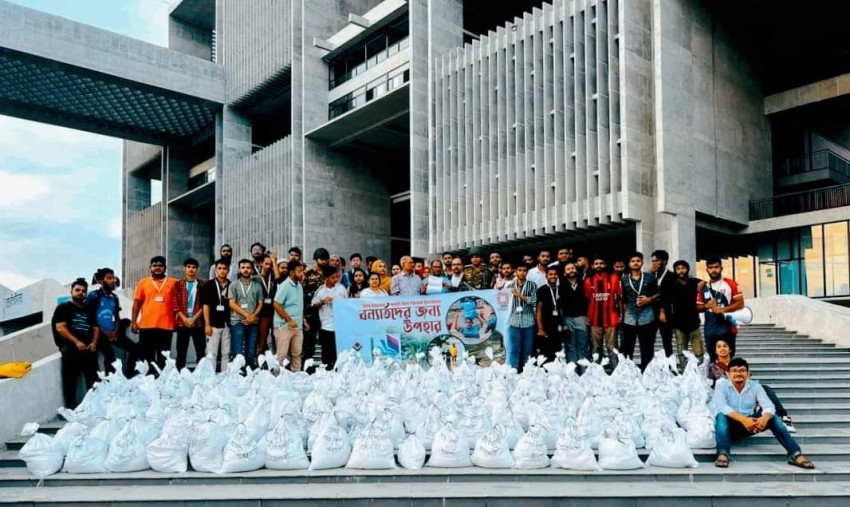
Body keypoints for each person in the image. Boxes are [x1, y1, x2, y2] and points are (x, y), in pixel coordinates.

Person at [711, 357, 813, 469]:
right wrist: (744, 420)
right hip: (729, 427)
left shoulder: (756, 386)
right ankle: (723, 453)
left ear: (748, 373)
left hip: (751, 425)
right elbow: (722, 406)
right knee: (721, 416)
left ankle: (795, 453)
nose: (738, 374)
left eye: (742, 370)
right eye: (734, 371)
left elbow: (769, 406)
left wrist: (763, 419)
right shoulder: (722, 385)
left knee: (772, 417)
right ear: (728, 374)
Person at [707, 339, 796, 432]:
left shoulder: (739, 363)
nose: (722, 349)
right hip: (727, 397)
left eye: (725, 346)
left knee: (764, 388)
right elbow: (710, 384)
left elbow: (748, 379)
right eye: (719, 347)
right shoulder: (712, 366)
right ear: (715, 351)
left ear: (730, 349)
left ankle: (784, 417)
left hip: (743, 392)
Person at [53, 279, 99, 409]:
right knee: (70, 378)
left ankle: (94, 405)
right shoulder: (64, 307)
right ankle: (71, 406)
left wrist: (94, 343)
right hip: (70, 348)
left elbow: (95, 328)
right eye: (77, 290)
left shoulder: (89, 310)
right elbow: (60, 328)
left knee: (93, 377)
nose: (81, 293)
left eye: (84, 291)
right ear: (71, 291)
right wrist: (76, 342)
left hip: (88, 348)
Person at [85, 267, 139, 376]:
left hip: (113, 332)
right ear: (101, 281)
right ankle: (111, 381)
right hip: (99, 334)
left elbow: (117, 317)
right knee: (110, 355)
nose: (112, 280)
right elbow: (90, 318)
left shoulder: (115, 298)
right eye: (109, 278)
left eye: (113, 278)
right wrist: (105, 332)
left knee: (134, 349)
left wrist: (115, 331)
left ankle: (129, 373)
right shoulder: (94, 296)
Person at [131, 256, 177, 372]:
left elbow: (181, 303)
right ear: (150, 268)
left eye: (160, 266)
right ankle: (148, 382)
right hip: (146, 326)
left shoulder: (174, 283)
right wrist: (134, 322)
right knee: (146, 357)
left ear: (165, 268)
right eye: (154, 265)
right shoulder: (143, 282)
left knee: (164, 358)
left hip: (166, 326)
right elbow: (137, 303)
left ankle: (162, 384)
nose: (157, 268)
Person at [697, 256, 744, 362]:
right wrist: (706, 306)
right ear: (707, 270)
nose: (713, 270)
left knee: (727, 356)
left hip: (727, 326)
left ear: (721, 268)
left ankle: (728, 377)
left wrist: (723, 310)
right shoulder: (703, 286)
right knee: (712, 357)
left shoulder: (730, 283)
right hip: (710, 328)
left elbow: (740, 303)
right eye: (710, 267)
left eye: (716, 267)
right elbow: (697, 307)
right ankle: (716, 378)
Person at [660, 260, 705, 371]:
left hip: (694, 322)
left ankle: (701, 373)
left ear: (688, 269)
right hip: (678, 323)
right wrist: (662, 313)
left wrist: (702, 283)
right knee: (682, 351)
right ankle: (685, 375)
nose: (681, 271)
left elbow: (705, 282)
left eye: (683, 268)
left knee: (699, 351)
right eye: (678, 268)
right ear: (675, 270)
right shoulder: (671, 284)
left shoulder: (693, 282)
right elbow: (663, 300)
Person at [619, 252, 659, 371]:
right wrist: (622, 314)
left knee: (647, 347)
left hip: (647, 316)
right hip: (629, 317)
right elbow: (622, 299)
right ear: (629, 264)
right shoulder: (624, 279)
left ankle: (646, 373)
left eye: (638, 261)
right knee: (627, 347)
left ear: (642, 263)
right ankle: (628, 373)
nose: (635, 263)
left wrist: (649, 299)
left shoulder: (650, 277)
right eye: (633, 261)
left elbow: (658, 293)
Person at [584, 255, 621, 369]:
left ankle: (615, 372)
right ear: (592, 266)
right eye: (596, 263)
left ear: (605, 265)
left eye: (601, 263)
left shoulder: (613, 278)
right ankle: (596, 373)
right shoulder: (587, 281)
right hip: (594, 320)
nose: (599, 265)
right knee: (595, 348)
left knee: (612, 347)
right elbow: (587, 300)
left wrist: (621, 315)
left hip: (611, 319)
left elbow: (619, 297)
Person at [228, 258, 264, 368]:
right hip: (237, 321)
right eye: (243, 267)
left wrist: (253, 316)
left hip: (254, 321)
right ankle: (238, 373)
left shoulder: (257, 286)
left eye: (248, 267)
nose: (246, 270)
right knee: (238, 350)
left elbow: (260, 303)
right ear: (239, 269)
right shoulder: (233, 285)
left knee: (251, 351)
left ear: (252, 270)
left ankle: (250, 372)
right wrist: (247, 315)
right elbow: (232, 304)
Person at [311, 266, 347, 369]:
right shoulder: (320, 291)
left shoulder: (341, 289)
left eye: (337, 277)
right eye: (333, 277)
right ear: (326, 278)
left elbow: (348, 304)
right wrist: (322, 302)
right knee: (326, 357)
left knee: (338, 356)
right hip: (326, 327)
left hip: (339, 328)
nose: (335, 280)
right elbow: (313, 306)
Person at [173, 258, 205, 371]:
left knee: (201, 352)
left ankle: (201, 375)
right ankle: (179, 375)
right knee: (181, 352)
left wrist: (194, 318)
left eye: (194, 267)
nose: (191, 269)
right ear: (184, 269)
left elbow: (205, 305)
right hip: (182, 323)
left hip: (199, 323)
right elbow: (175, 304)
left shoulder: (203, 284)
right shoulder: (178, 284)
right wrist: (185, 319)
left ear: (197, 269)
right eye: (189, 267)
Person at [273, 259, 305, 371]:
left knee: (297, 354)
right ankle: (276, 380)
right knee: (281, 356)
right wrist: (289, 320)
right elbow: (276, 304)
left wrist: (303, 321)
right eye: (300, 271)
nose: (302, 273)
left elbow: (298, 306)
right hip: (284, 326)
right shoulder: (285, 285)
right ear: (292, 272)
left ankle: (296, 377)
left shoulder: (299, 286)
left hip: (298, 327)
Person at [202, 258, 231, 372]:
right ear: (215, 270)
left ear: (228, 270)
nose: (222, 271)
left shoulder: (232, 285)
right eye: (219, 268)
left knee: (226, 353)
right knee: (211, 353)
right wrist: (207, 324)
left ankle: (225, 377)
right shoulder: (208, 285)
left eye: (224, 269)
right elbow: (205, 305)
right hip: (213, 323)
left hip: (227, 323)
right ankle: (210, 377)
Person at [303, 248, 330, 371]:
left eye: (326, 259)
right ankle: (308, 368)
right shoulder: (308, 275)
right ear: (316, 260)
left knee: (326, 342)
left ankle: (326, 367)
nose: (324, 261)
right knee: (309, 343)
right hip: (311, 313)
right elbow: (303, 295)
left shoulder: (329, 275)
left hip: (326, 314)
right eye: (322, 259)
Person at [506, 263, 537, 371]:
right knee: (514, 349)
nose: (522, 272)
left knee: (527, 349)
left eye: (524, 270)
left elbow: (533, 301)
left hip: (528, 321)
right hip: (514, 321)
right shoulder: (509, 285)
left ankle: (527, 371)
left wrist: (519, 295)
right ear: (516, 271)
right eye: (520, 270)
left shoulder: (532, 285)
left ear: (527, 272)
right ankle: (513, 371)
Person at [560, 262, 589, 365]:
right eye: (568, 269)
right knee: (570, 346)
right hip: (568, 319)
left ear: (577, 270)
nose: (571, 270)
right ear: (564, 273)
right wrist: (563, 323)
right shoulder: (561, 287)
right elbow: (560, 306)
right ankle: (573, 373)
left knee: (583, 346)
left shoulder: (584, 284)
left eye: (573, 268)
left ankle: (584, 372)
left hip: (582, 318)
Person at [536, 266, 565, 363]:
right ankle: (546, 374)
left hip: (558, 325)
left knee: (558, 350)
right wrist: (540, 328)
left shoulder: (561, 289)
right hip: (546, 325)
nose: (553, 276)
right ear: (546, 276)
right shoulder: (542, 290)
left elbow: (561, 308)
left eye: (555, 274)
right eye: (550, 274)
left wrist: (563, 323)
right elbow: (539, 309)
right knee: (546, 352)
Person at [651, 250, 676, 359]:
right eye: (653, 261)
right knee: (649, 340)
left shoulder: (672, 276)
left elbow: (668, 295)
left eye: (657, 261)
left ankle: (670, 366)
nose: (654, 263)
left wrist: (662, 311)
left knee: (667, 341)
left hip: (666, 312)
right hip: (650, 312)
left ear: (664, 261)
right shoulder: (651, 276)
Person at [254, 255, 277, 357]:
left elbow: (279, 277)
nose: (268, 266)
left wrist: (274, 261)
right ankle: (259, 361)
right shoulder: (255, 279)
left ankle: (276, 362)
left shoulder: (274, 277)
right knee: (261, 339)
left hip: (274, 312)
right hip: (262, 313)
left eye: (270, 264)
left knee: (275, 338)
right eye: (266, 264)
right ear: (261, 264)